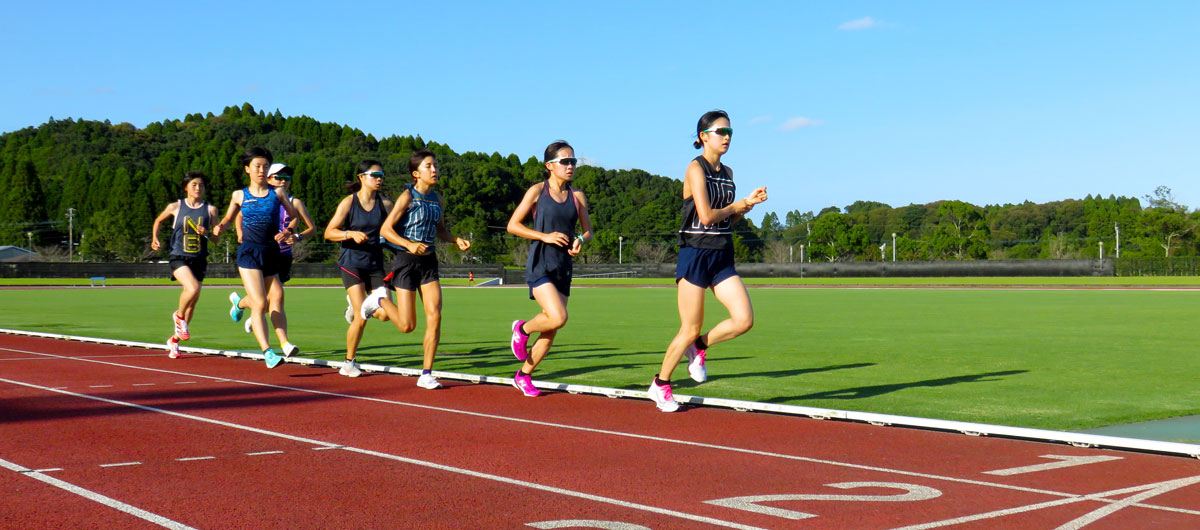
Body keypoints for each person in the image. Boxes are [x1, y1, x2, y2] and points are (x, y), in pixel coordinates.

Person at [649, 110, 768, 412]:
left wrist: (747, 205)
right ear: (704, 136)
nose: (726, 137)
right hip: (695, 253)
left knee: (744, 320)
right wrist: (736, 205)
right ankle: (660, 384)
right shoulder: (695, 168)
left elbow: (728, 219)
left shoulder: (728, 173)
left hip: (722, 254)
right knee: (689, 327)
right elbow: (705, 216)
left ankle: (700, 347)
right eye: (720, 131)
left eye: (730, 132)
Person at [372, 149, 471, 389]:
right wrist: (408, 244)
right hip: (406, 262)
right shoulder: (408, 196)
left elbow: (440, 230)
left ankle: (426, 373)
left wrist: (455, 239)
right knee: (407, 326)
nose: (434, 169)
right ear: (416, 174)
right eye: (429, 166)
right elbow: (386, 230)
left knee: (435, 315)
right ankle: (379, 300)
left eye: (435, 165)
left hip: (429, 262)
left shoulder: (438, 199)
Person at [505, 140, 593, 397]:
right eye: (565, 161)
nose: (570, 166)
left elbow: (588, 232)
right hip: (541, 261)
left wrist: (580, 240)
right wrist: (544, 236)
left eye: (573, 161)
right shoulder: (537, 191)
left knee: (552, 328)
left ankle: (523, 375)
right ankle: (521, 329)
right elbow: (513, 225)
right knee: (558, 316)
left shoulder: (577, 196)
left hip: (563, 266)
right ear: (549, 165)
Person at [212, 146, 300, 369]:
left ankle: (284, 341)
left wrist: (289, 231)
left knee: (277, 296)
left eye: (265, 166)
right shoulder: (239, 195)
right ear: (247, 169)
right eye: (257, 166)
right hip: (249, 252)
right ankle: (268, 352)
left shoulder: (277, 193)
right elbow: (229, 218)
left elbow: (294, 216)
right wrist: (220, 227)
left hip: (271, 251)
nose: (262, 170)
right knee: (260, 302)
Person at [236, 163, 316, 358]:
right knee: (268, 299)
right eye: (278, 178)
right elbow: (239, 215)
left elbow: (311, 228)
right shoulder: (259, 199)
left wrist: (296, 236)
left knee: (273, 298)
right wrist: (240, 233)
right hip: (259, 253)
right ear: (268, 179)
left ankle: (252, 314)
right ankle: (281, 340)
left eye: (286, 178)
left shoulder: (294, 202)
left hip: (283, 255)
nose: (283, 182)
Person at [323, 160, 393, 377]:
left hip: (375, 264)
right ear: (361, 177)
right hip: (352, 262)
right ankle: (348, 362)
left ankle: (355, 308)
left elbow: (393, 232)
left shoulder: (387, 205)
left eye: (381, 175)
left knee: (385, 314)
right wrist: (349, 234)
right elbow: (329, 232)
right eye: (374, 175)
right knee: (362, 317)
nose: (379, 178)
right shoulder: (349, 203)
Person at [150, 171, 220, 359]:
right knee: (192, 288)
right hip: (178, 256)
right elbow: (158, 220)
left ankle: (174, 341)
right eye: (194, 184)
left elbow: (216, 238)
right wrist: (155, 238)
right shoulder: (176, 206)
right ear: (186, 187)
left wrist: (206, 233)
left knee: (192, 301)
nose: (198, 188)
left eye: (201, 185)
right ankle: (178, 317)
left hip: (199, 258)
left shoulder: (211, 210)